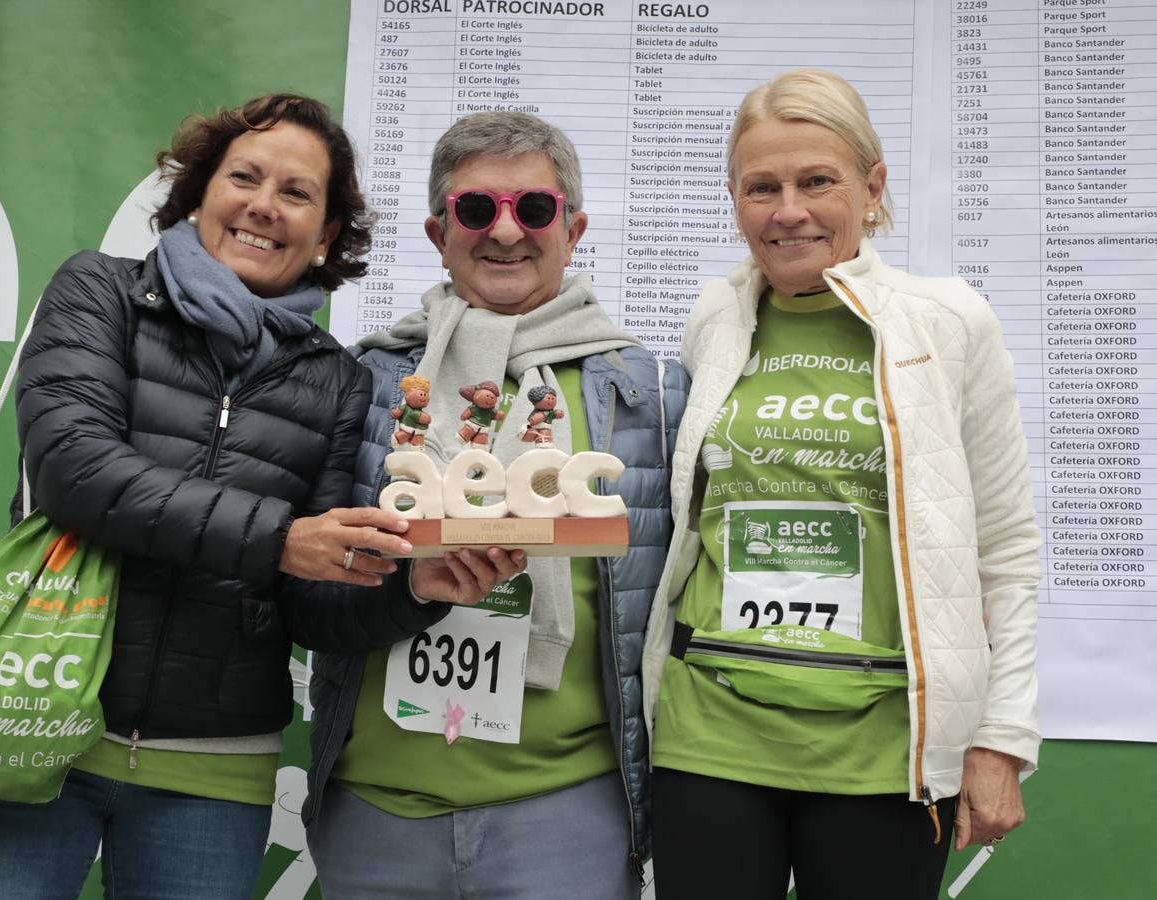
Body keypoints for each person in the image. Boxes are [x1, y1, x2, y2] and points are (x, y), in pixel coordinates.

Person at [0, 93, 505, 900]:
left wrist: (412, 590)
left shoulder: (335, 379)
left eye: (298, 194)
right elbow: (77, 470)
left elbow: (309, 602)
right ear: (199, 192)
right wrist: (278, 539)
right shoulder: (99, 294)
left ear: (327, 234)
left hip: (211, 769)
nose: (264, 206)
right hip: (27, 723)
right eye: (245, 177)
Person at [641, 69, 1041, 899]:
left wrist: (1001, 737)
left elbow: (1005, 547)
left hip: (886, 751)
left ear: (872, 187)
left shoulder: (949, 322)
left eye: (816, 180)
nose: (789, 210)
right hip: (710, 731)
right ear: (736, 199)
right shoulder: (716, 319)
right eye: (763, 187)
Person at [303, 110, 689, 899]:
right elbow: (306, 586)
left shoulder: (650, 393)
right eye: (477, 209)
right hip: (377, 808)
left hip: (568, 815)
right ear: (438, 230)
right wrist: (407, 584)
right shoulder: (359, 381)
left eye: (535, 209)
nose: (506, 232)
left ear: (573, 228)